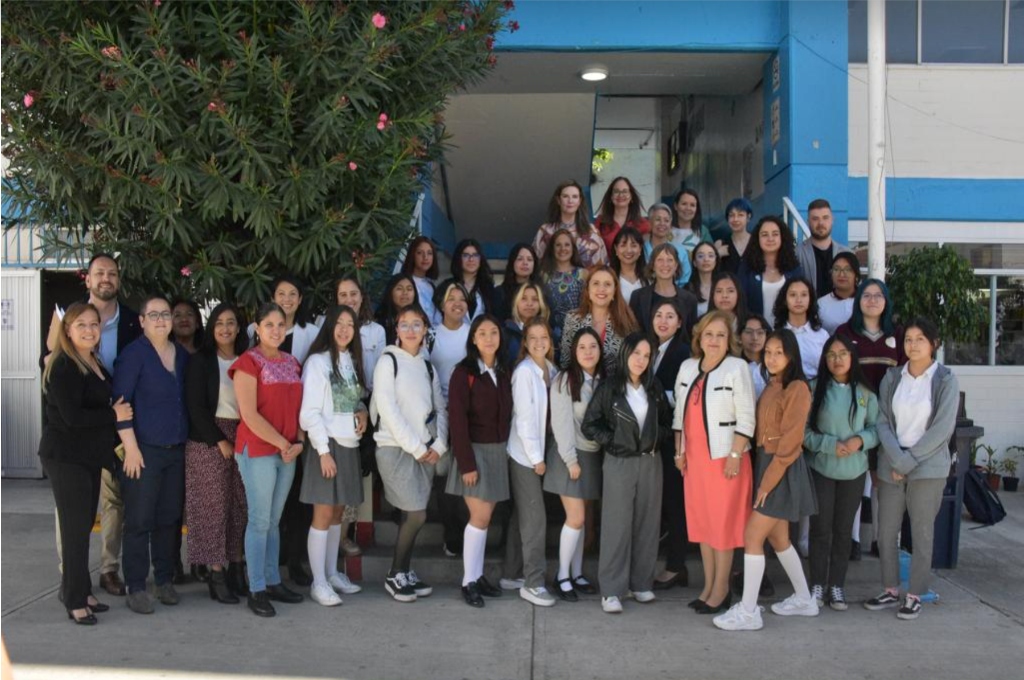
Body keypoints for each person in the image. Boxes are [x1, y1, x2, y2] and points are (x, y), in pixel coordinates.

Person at [44, 253, 141, 598]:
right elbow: (50, 362)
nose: (106, 278)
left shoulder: (131, 320)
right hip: (76, 433)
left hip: (115, 427)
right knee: (71, 511)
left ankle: (108, 569)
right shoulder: (68, 317)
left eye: (112, 273)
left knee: (112, 503)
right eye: (99, 272)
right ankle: (70, 575)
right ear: (88, 279)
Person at [713, 329, 819, 631]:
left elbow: (789, 446)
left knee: (752, 537)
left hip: (780, 470)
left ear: (791, 356)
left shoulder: (797, 388)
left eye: (779, 353)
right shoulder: (773, 385)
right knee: (779, 538)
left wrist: (766, 484)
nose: (772, 358)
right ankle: (804, 599)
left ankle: (748, 611)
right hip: (766, 465)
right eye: (768, 352)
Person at [866, 318, 959, 621]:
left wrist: (907, 462)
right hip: (892, 463)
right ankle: (890, 588)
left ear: (934, 343)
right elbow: (881, 420)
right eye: (908, 339)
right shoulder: (893, 377)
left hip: (927, 467)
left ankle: (915, 593)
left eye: (921, 339)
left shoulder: (946, 379)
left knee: (921, 532)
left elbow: (942, 429)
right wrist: (896, 459)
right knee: (886, 529)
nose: (913, 345)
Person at [672, 311, 756, 613]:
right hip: (695, 462)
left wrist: (735, 454)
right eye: (709, 334)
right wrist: (678, 452)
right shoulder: (687, 367)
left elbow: (747, 415)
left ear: (729, 339)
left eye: (721, 335)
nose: (714, 340)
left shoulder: (737, 367)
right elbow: (678, 415)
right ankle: (708, 586)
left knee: (722, 528)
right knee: (703, 526)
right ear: (699, 337)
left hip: (724, 461)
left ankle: (722, 589)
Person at [582, 333, 672, 614]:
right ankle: (611, 590)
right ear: (625, 354)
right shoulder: (610, 387)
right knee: (616, 525)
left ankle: (641, 583)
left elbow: (667, 422)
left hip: (650, 462)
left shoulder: (654, 387)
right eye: (636, 354)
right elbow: (590, 424)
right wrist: (614, 441)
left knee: (647, 523)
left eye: (647, 356)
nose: (641, 360)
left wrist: (656, 439)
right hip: (619, 462)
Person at [112, 295, 190, 615]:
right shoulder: (134, 356)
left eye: (166, 314)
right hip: (143, 452)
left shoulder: (181, 355)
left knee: (168, 518)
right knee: (140, 520)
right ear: (142, 321)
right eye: (153, 315)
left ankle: (163, 579)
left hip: (176, 451)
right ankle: (136, 585)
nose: (160, 320)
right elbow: (119, 404)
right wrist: (130, 448)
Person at [230, 302, 306, 617]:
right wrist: (282, 443)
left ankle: (274, 580)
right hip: (259, 450)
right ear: (257, 329)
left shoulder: (292, 361)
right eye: (269, 324)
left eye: (280, 324)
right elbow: (248, 415)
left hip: (287, 451)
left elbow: (301, 408)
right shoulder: (248, 363)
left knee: (274, 521)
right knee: (260, 520)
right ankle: (256, 587)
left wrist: (298, 442)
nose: (276, 330)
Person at [370, 305, 448, 603]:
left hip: (426, 452)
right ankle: (394, 574)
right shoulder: (388, 361)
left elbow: (439, 407)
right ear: (396, 329)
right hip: (395, 448)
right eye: (405, 325)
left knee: (412, 513)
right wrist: (415, 447)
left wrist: (439, 444)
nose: (412, 330)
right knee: (416, 513)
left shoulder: (427, 365)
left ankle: (404, 570)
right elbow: (388, 410)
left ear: (426, 329)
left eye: (418, 324)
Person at [299, 305, 368, 607]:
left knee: (339, 513)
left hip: (349, 446)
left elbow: (355, 400)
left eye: (349, 325)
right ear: (329, 326)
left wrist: (363, 411)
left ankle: (331, 573)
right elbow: (309, 413)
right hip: (325, 446)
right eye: (338, 323)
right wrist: (323, 452)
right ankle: (318, 582)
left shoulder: (351, 361)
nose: (344, 329)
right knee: (323, 515)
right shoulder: (317, 362)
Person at [804, 334, 878, 611]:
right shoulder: (813, 389)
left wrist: (860, 441)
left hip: (854, 471)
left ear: (852, 357)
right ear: (825, 359)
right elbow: (804, 433)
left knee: (843, 530)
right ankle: (817, 584)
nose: (837, 359)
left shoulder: (865, 392)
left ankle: (837, 586)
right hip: (822, 468)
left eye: (843, 353)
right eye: (832, 354)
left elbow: (876, 428)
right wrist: (828, 445)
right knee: (820, 529)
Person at [183, 303, 250, 604]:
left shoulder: (248, 360)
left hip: (245, 436)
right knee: (213, 508)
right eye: (219, 323)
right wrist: (219, 440)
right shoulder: (201, 361)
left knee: (240, 506)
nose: (225, 328)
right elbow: (194, 407)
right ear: (211, 328)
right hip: (208, 439)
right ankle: (216, 572)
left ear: (240, 328)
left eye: (231, 323)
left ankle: (237, 568)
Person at [445, 316, 512, 607]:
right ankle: (468, 581)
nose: (488, 338)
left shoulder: (503, 370)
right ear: (473, 338)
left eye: (493, 332)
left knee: (485, 520)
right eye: (482, 333)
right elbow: (457, 420)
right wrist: (466, 464)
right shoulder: (463, 373)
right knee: (479, 518)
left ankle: (478, 574)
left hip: (497, 451)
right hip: (473, 452)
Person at [546, 327, 604, 601]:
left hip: (592, 456)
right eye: (582, 347)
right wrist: (571, 460)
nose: (588, 352)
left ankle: (578, 573)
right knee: (576, 518)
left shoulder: (604, 380)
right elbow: (561, 424)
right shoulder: (564, 380)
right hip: (568, 456)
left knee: (584, 521)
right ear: (573, 351)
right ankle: (562, 575)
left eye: (593, 346)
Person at [506, 319, 559, 608]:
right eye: (533, 337)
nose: (539, 342)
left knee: (522, 517)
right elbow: (525, 420)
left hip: (541, 452)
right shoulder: (524, 372)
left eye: (544, 336)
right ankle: (533, 583)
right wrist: (537, 459)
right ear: (525, 342)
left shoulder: (552, 370)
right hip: (525, 457)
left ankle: (510, 573)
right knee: (535, 520)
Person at [334, 275, 386, 557]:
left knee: (356, 473)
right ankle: (328, 536)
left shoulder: (375, 331)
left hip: (364, 405)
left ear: (362, 297)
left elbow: (377, 375)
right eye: (343, 295)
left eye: (354, 294)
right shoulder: (327, 327)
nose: (349, 300)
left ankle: (345, 534)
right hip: (334, 409)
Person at [649, 300, 693, 591]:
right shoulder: (652, 348)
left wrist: (652, 395)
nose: (663, 320)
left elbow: (685, 396)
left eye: (670, 316)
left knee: (676, 502)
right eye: (658, 315)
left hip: (675, 439)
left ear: (680, 322)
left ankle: (677, 565)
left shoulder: (683, 352)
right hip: (657, 437)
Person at [560, 266, 638, 375]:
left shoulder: (626, 322)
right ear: (588, 289)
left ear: (615, 290)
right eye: (596, 283)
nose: (601, 289)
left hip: (614, 388)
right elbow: (566, 361)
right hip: (579, 386)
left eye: (607, 284)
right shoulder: (573, 318)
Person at [836, 279, 906, 392]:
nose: (872, 300)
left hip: (889, 404)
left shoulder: (898, 333)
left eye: (878, 296)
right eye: (866, 295)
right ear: (858, 300)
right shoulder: (844, 332)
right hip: (854, 404)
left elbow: (906, 371)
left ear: (886, 301)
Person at [737, 215, 803, 329]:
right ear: (757, 239)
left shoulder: (794, 268)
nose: (770, 239)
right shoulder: (747, 268)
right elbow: (740, 302)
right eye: (764, 235)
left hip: (788, 334)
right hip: (756, 335)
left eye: (775, 234)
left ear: (782, 237)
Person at [533, 179, 608, 268]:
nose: (570, 201)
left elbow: (603, 265)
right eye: (565, 196)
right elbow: (535, 264)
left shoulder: (591, 231)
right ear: (558, 200)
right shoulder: (545, 231)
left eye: (575, 196)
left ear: (580, 201)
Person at [629, 244, 698, 338]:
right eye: (660, 260)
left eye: (670, 260)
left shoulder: (690, 300)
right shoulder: (638, 296)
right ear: (653, 265)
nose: (665, 264)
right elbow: (633, 332)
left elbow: (690, 336)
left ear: (676, 265)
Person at [540, 229, 587, 355]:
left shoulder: (583, 274)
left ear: (573, 248)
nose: (563, 249)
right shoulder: (543, 275)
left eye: (567, 244)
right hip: (550, 335)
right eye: (558, 245)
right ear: (552, 248)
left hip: (577, 334)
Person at [773, 277, 829, 380]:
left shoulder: (822, 336)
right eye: (793, 295)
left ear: (810, 299)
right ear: (785, 300)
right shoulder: (776, 335)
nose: (798, 300)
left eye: (804, 295)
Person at [795, 199, 853, 298]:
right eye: (815, 219)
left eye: (825, 218)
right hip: (809, 312)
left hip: (840, 312)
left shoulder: (847, 254)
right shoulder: (797, 254)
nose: (821, 223)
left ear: (832, 220)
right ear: (808, 222)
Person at [429, 282, 472, 399]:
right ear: (442, 306)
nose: (457, 303)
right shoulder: (430, 334)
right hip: (436, 404)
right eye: (451, 299)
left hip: (465, 404)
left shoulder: (474, 334)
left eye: (462, 300)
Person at [438, 239, 495, 322]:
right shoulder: (445, 287)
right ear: (459, 258)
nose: (471, 259)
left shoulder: (488, 288)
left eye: (475, 255)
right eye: (466, 255)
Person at [595, 177, 650, 254]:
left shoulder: (643, 224)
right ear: (611, 196)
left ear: (631, 197)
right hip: (607, 265)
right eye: (616, 191)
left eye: (625, 191)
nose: (620, 195)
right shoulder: (600, 222)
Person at [643, 203, 692, 286]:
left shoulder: (680, 251)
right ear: (650, 223)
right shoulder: (641, 249)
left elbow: (684, 280)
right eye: (658, 219)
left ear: (670, 225)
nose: (662, 223)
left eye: (666, 220)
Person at [503, 282, 551, 366]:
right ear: (516, 302)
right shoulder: (505, 332)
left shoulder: (551, 332)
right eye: (524, 299)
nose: (529, 304)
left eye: (535, 299)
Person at [493, 243, 543, 322]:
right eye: (520, 259)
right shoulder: (500, 293)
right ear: (512, 262)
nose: (525, 263)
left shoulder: (541, 291)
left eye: (529, 259)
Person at [818, 252, 860, 334]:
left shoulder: (866, 300)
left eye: (848, 269)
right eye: (836, 269)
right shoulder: (821, 304)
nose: (841, 274)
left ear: (856, 275)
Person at [376, 273, 422, 346]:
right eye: (399, 289)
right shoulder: (380, 322)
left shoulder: (422, 319)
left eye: (409, 289)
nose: (405, 293)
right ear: (390, 292)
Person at [609, 227, 648, 304]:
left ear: (640, 249)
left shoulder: (649, 277)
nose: (629, 250)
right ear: (616, 249)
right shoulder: (609, 277)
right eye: (623, 245)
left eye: (633, 245)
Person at [716, 198, 753, 274]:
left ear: (748, 217)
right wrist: (717, 255)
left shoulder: (757, 241)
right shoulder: (720, 244)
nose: (735, 219)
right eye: (732, 215)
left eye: (740, 215)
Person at [685, 242, 721, 317]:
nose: (706, 259)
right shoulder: (688, 289)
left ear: (716, 261)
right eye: (700, 256)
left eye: (711, 256)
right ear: (694, 262)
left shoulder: (722, 285)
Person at [740, 314, 771, 398]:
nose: (755, 338)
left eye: (760, 332)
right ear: (739, 336)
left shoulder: (773, 365)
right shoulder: (735, 365)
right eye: (748, 332)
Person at [673, 189, 712, 256]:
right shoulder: (665, 228)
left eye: (692, 205)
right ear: (676, 206)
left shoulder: (702, 231)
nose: (688, 208)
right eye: (684, 204)